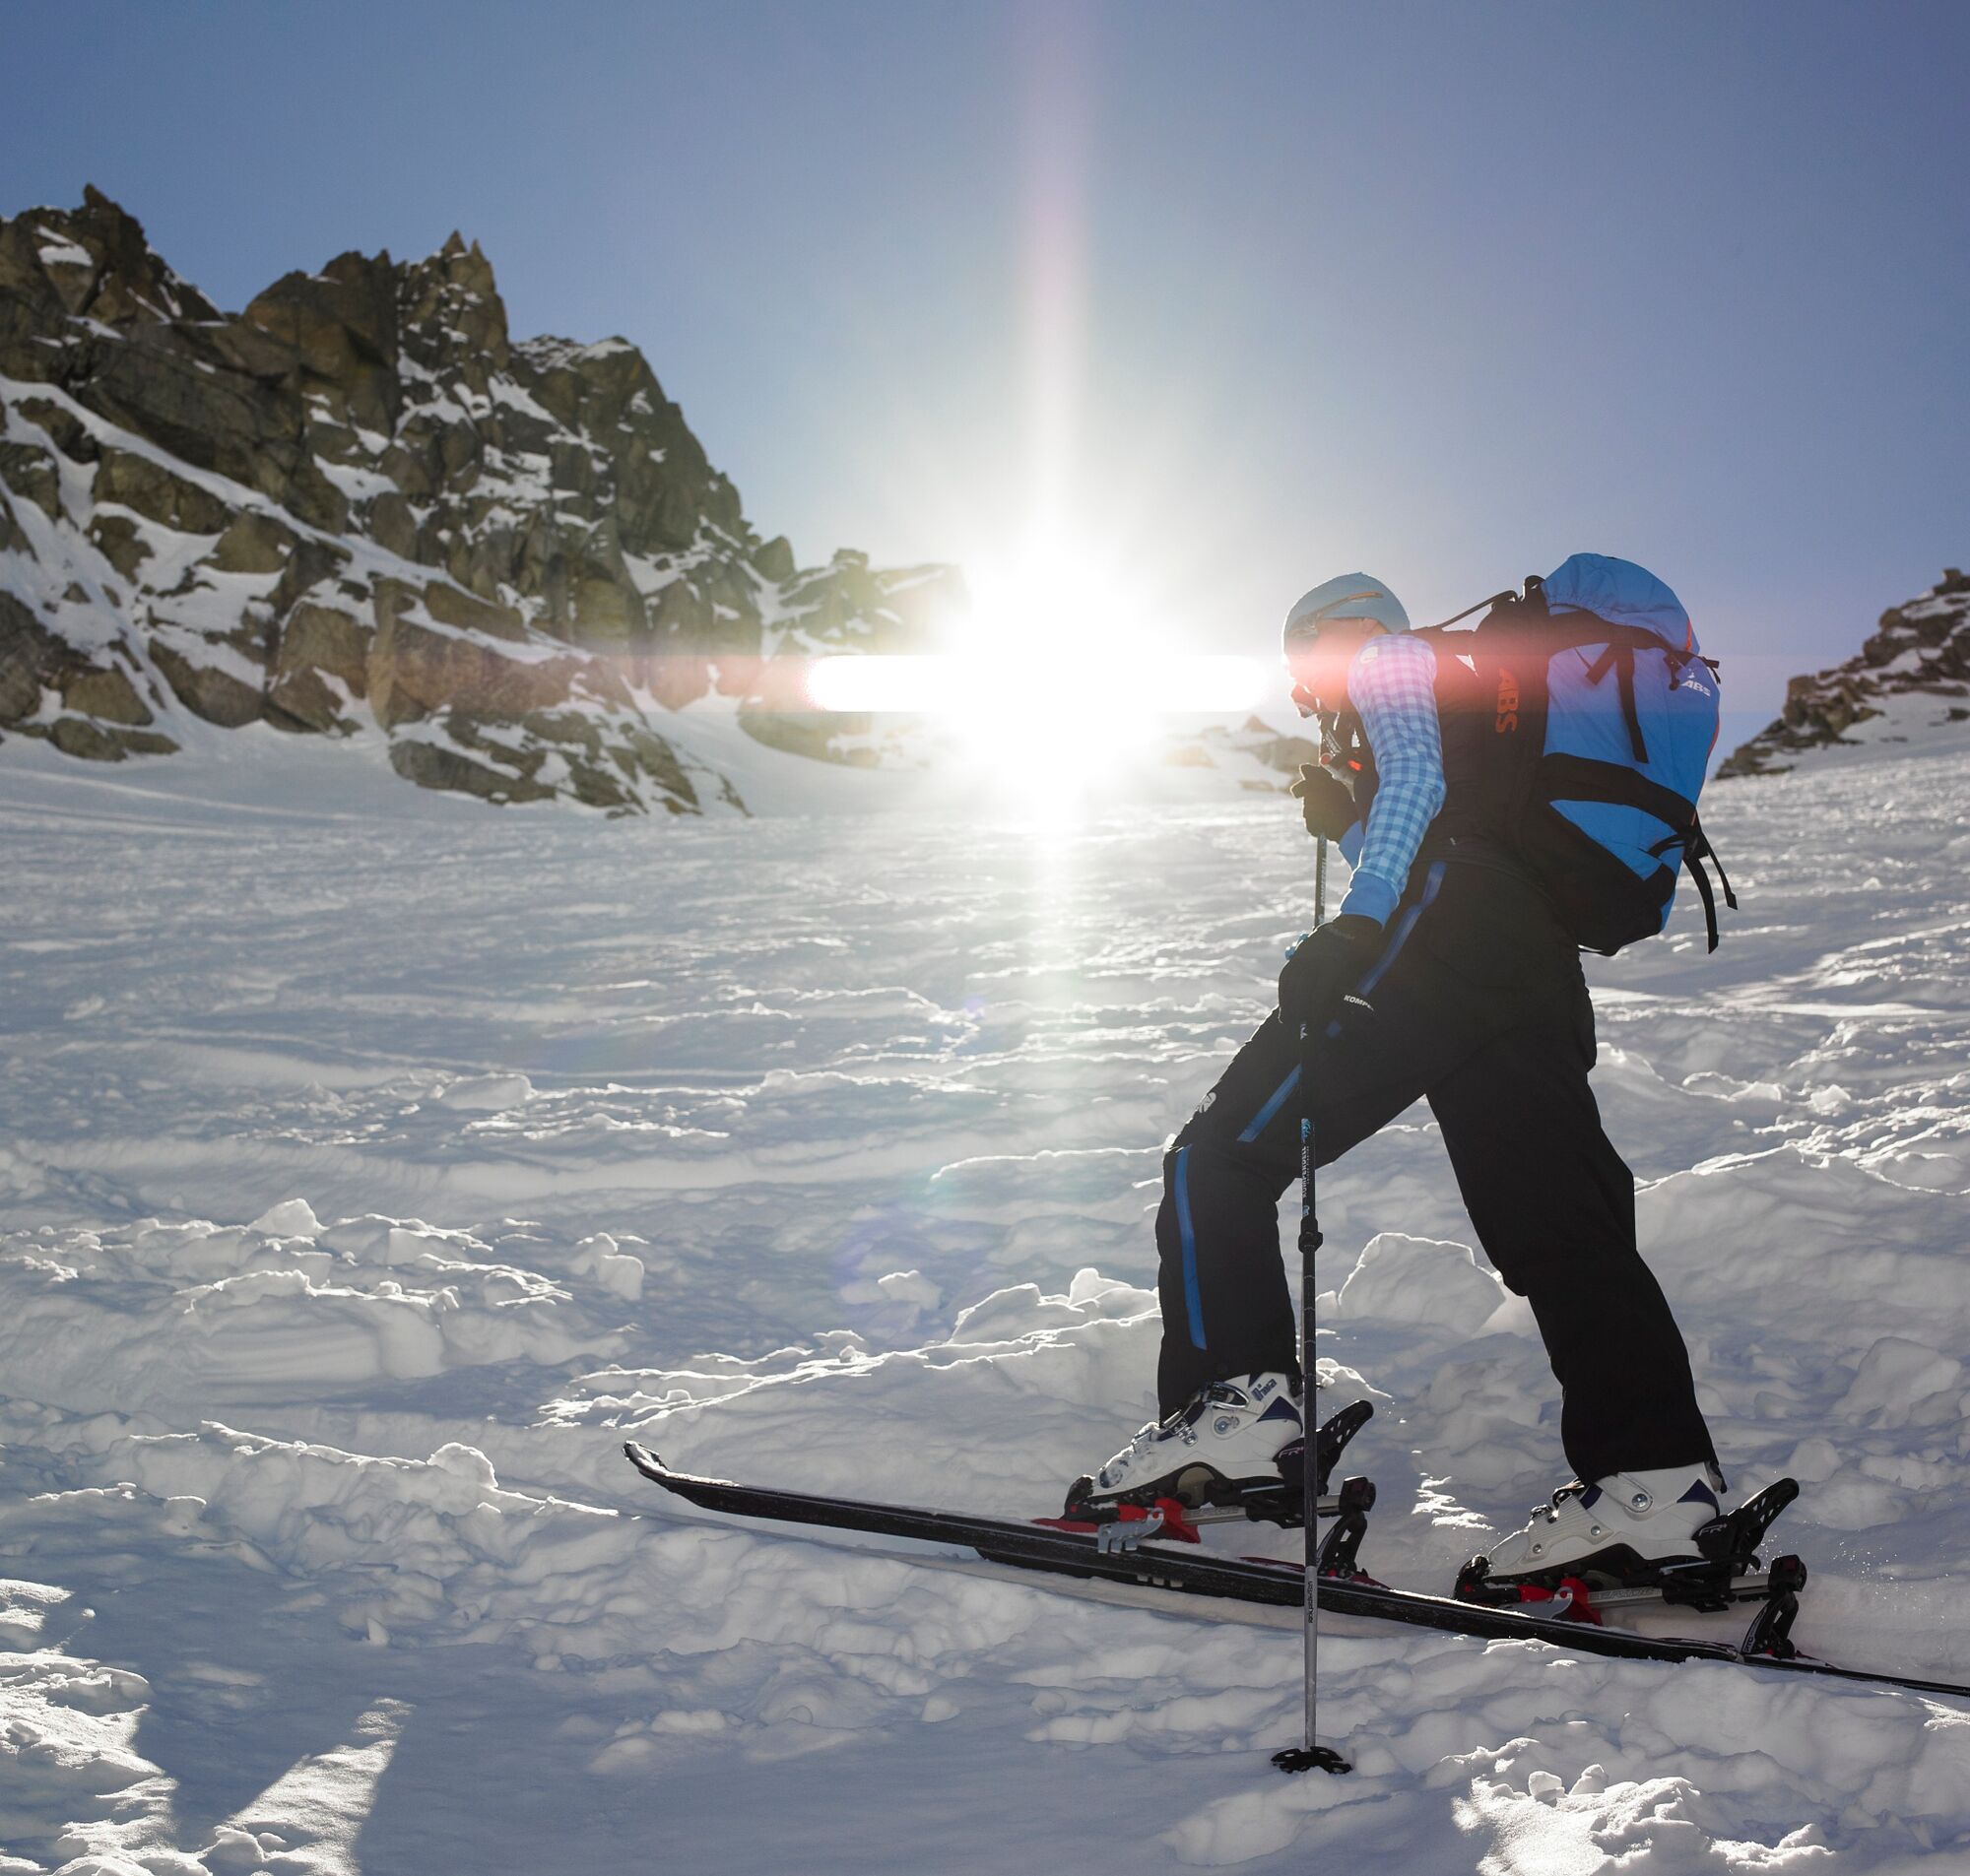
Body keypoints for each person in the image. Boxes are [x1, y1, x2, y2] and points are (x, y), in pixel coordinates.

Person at [1082, 571, 1725, 1585]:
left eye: (1303, 666)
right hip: (1528, 963)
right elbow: (1447, 820)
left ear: (1333, 635)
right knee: (1559, 1225)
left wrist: (1357, 920)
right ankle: (1655, 1484)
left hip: (1440, 934)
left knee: (1218, 1156)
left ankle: (1234, 1410)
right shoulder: (1476, 687)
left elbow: (1421, 797)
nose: (1307, 690)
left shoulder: (1392, 657)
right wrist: (1350, 822)